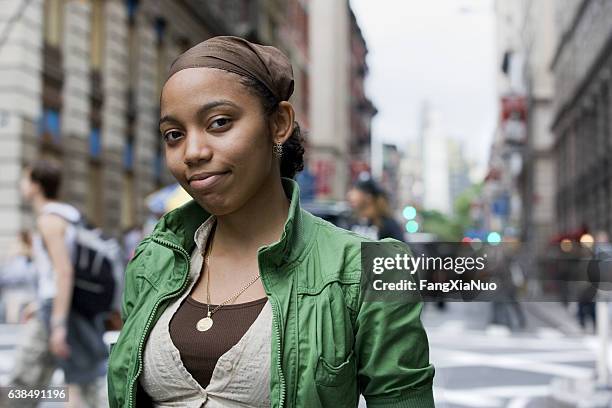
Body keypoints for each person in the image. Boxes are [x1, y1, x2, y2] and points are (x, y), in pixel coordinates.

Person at [107, 36, 434, 407]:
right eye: (174, 135)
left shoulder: (367, 268)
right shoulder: (153, 261)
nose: (192, 152)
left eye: (219, 123)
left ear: (278, 123)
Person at [4, 160, 108, 408]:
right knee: (82, 379)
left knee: (25, 380)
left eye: (25, 179)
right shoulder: (68, 215)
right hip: (64, 307)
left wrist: (58, 323)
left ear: (36, 185)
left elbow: (63, 271)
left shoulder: (49, 220)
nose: (21, 185)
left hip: (57, 310)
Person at [346, 177, 405, 241]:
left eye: (355, 191)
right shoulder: (352, 220)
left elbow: (400, 248)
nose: (349, 195)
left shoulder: (387, 224)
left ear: (368, 196)